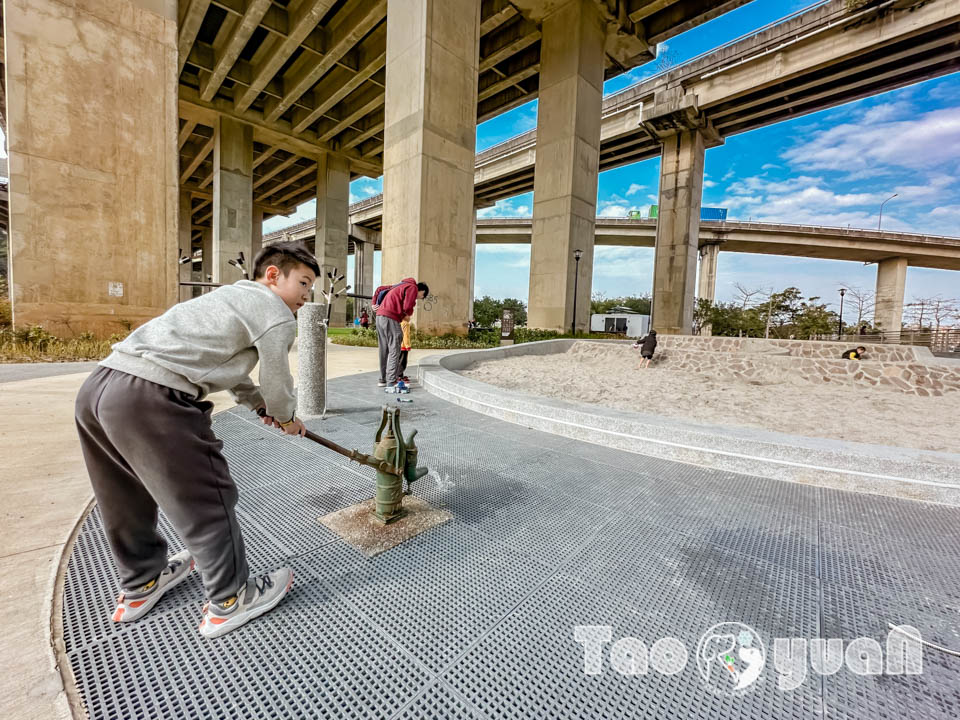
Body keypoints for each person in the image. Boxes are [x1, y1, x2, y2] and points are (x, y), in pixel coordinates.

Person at [74, 241, 317, 639]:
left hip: (100, 387)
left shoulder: (228, 298)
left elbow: (229, 368)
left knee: (123, 494)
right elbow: (278, 380)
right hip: (151, 397)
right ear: (272, 275)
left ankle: (141, 583)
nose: (306, 297)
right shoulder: (276, 313)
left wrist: (257, 405)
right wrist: (286, 416)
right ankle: (231, 598)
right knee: (208, 496)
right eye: (303, 283)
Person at [371, 278, 428, 388]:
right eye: (422, 296)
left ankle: (382, 380)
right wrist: (407, 314)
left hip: (379, 317)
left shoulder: (399, 285)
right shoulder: (413, 287)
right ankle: (392, 381)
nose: (420, 298)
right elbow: (407, 307)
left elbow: (379, 289)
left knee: (384, 350)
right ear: (422, 290)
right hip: (390, 318)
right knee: (395, 349)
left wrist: (374, 303)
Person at [398, 316, 412, 383]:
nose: (410, 317)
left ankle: (400, 375)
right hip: (403, 346)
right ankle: (399, 376)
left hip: (398, 345)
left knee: (399, 361)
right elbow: (406, 335)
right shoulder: (406, 324)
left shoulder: (399, 322)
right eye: (409, 316)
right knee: (403, 362)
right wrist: (407, 345)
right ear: (405, 316)